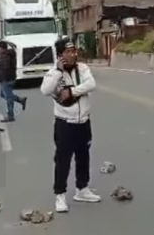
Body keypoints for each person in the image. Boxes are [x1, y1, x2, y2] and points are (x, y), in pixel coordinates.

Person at [40, 37, 100, 213]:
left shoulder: (83, 68)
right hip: (65, 124)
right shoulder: (53, 73)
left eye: (74, 51)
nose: (73, 54)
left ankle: (82, 189)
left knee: (84, 156)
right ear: (60, 55)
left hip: (83, 122)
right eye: (68, 52)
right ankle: (60, 195)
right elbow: (45, 90)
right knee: (63, 160)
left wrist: (72, 91)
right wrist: (59, 72)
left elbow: (91, 84)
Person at [0, 41, 27, 122]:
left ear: (1, 48)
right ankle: (20, 100)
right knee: (3, 94)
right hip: (11, 77)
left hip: (6, 79)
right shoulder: (10, 54)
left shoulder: (5, 56)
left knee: (8, 98)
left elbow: (5, 67)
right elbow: (14, 46)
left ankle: (10, 115)